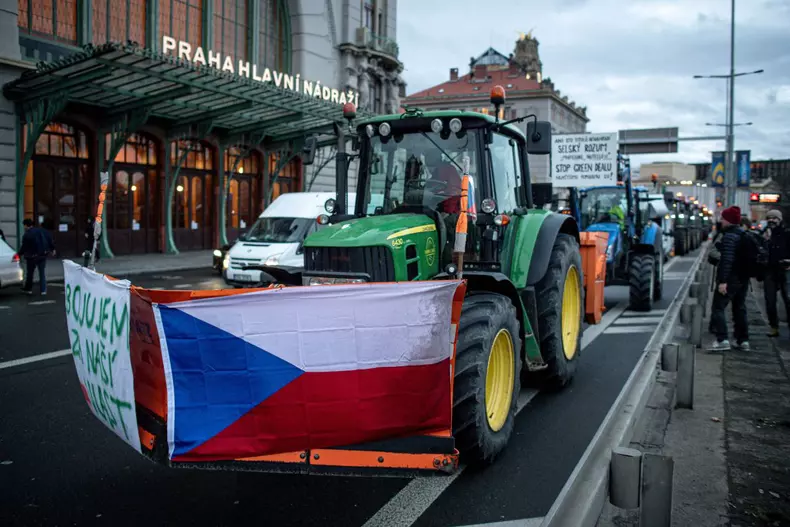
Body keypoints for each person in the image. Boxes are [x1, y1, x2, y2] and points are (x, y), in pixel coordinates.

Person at [709, 206, 749, 352]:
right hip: (743, 279)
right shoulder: (743, 234)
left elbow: (727, 260)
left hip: (730, 278)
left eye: (723, 218)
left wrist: (723, 281)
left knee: (718, 308)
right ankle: (743, 341)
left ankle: (722, 340)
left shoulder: (728, 237)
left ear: (729, 220)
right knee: (740, 309)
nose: (721, 221)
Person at [761, 209, 790, 337]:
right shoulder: (764, 234)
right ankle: (774, 327)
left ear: (780, 220)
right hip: (770, 271)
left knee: (788, 300)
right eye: (769, 218)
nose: (771, 220)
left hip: (785, 270)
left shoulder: (787, 234)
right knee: (770, 301)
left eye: (774, 218)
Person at [16, 218, 55, 295]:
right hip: (42, 255)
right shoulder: (41, 231)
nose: (24, 227)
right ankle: (43, 290)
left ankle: (29, 289)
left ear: (26, 225)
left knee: (30, 273)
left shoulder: (27, 234)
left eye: (24, 225)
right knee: (42, 273)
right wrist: (52, 249)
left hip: (31, 257)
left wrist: (19, 254)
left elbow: (24, 247)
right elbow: (49, 239)